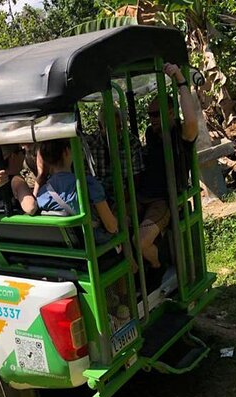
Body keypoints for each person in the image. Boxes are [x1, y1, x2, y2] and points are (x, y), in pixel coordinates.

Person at [138, 63, 198, 282]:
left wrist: (180, 80)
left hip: (164, 200)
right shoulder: (151, 135)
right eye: (149, 115)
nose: (152, 119)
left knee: (141, 241)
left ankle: (156, 267)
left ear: (170, 111)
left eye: (155, 114)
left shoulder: (181, 135)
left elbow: (192, 120)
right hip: (142, 197)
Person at [36, 139, 118, 244]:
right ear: (66, 152)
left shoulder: (42, 193)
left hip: (69, 248)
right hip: (95, 245)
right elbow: (111, 226)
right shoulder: (88, 184)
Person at [85, 106, 144, 199]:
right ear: (100, 126)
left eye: (118, 127)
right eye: (111, 128)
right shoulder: (89, 144)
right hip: (97, 199)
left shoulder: (131, 142)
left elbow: (136, 177)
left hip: (125, 196)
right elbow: (86, 180)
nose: (116, 132)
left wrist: (125, 199)